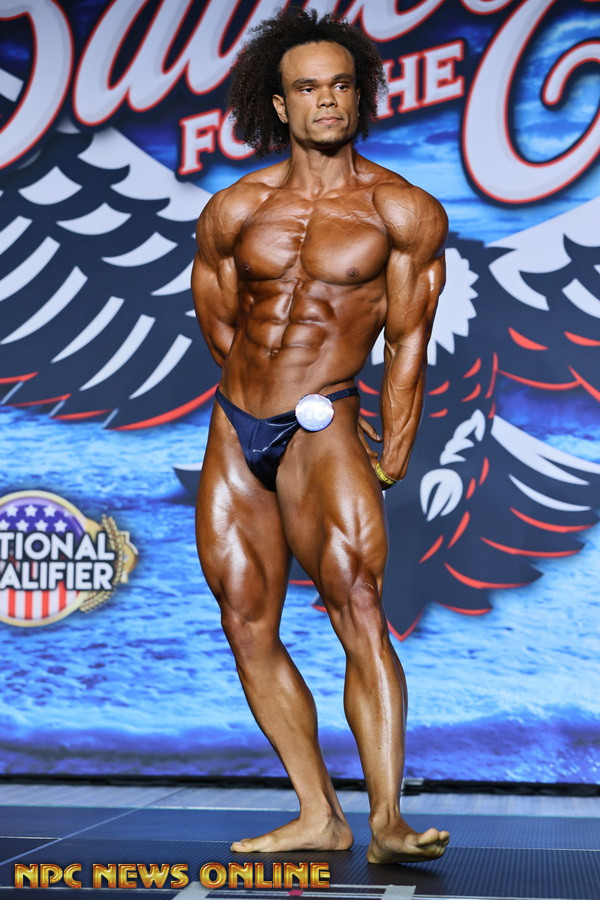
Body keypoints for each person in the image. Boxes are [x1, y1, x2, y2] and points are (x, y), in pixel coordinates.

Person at [192, 8, 449, 864]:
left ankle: (388, 821)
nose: (327, 100)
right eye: (308, 88)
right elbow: (222, 324)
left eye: (341, 85)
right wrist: (257, 393)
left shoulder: (400, 210)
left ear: (360, 96)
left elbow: (408, 340)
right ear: (280, 104)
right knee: (245, 620)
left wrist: (394, 449)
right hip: (236, 426)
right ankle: (318, 813)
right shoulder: (236, 208)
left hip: (324, 420)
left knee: (358, 604)